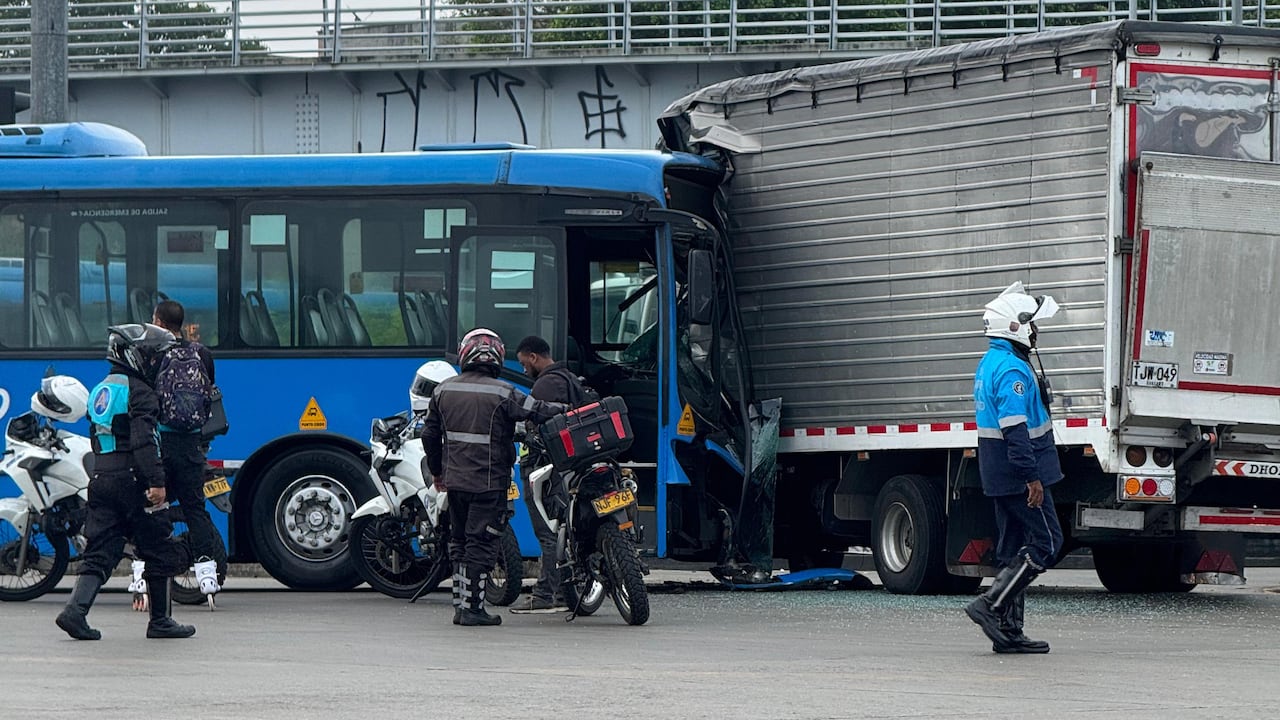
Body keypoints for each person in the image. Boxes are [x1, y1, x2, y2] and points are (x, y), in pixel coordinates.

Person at [56, 324, 196, 640]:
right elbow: (144, 441)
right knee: (158, 547)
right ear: (135, 356)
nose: (157, 363)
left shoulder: (101, 390)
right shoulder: (141, 392)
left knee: (100, 549)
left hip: (102, 478)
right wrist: (156, 482)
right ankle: (160, 621)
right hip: (133, 480)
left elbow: (97, 438)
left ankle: (75, 611)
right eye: (153, 357)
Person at [421, 328, 567, 627]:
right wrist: (572, 408)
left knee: (460, 541)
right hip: (488, 484)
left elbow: (429, 435)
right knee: (482, 542)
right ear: (497, 357)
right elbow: (538, 411)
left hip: (455, 483)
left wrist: (437, 471)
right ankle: (474, 609)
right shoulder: (503, 391)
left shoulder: (443, 391)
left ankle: (461, 606)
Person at [965, 282, 1064, 654]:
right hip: (1019, 474)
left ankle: (1009, 632)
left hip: (999, 473)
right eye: (1032, 324)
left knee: (1013, 548)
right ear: (1015, 325)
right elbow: (1015, 429)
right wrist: (1031, 477)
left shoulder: (991, 362)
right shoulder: (1011, 370)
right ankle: (990, 605)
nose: (1035, 332)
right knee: (1047, 543)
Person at [511, 335, 590, 613]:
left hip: (544, 468)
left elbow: (536, 426)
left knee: (548, 532)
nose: (524, 370)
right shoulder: (570, 379)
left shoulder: (545, 385)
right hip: (568, 467)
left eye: (524, 363)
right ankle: (564, 592)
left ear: (534, 357)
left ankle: (546, 593)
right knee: (564, 531)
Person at [152, 299, 224, 599]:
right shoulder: (202, 353)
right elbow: (209, 391)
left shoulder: (155, 353)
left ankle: (145, 578)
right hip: (193, 444)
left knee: (154, 508)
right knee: (195, 509)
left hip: (163, 443)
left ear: (158, 322)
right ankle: (206, 574)